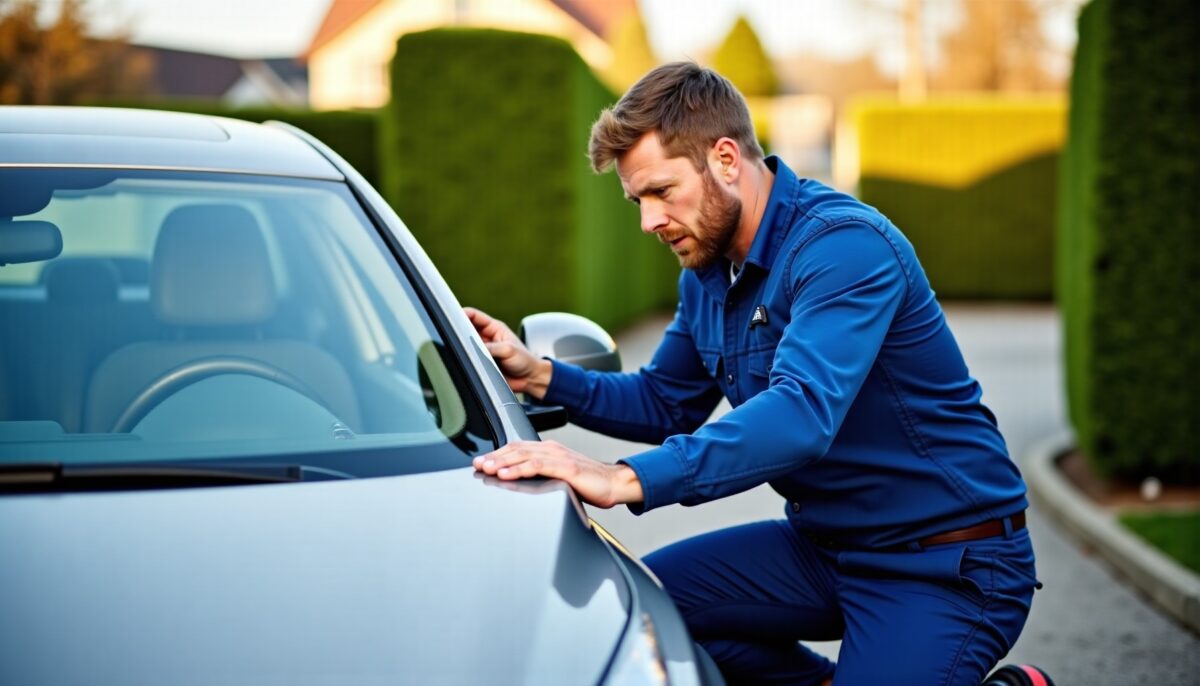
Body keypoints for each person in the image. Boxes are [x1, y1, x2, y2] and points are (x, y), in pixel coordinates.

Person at [468, 62, 1039, 685]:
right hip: (823, 549)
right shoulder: (708, 273)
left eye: (661, 191)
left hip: (943, 562)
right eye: (637, 201)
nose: (648, 221)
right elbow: (666, 401)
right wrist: (540, 376)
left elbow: (800, 417)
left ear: (726, 158)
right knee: (642, 613)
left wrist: (621, 477)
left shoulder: (842, 247)